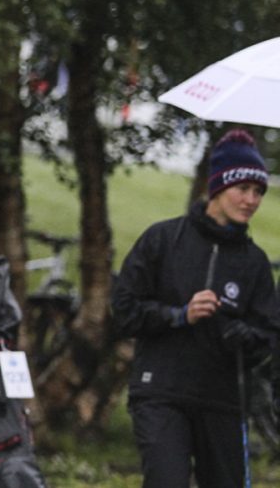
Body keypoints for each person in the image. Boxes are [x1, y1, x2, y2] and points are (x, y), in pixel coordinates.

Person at [111, 128, 279, 488]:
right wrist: (178, 315)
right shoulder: (164, 239)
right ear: (217, 187)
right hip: (160, 393)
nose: (251, 200)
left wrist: (246, 338)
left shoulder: (255, 263)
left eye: (258, 192)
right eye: (243, 189)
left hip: (224, 402)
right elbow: (123, 311)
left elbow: (269, 338)